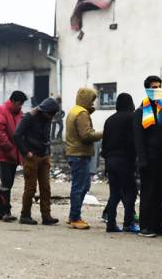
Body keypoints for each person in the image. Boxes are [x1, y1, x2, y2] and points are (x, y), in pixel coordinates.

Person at [133, 76, 162, 238]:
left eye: (159, 87)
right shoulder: (142, 111)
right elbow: (138, 138)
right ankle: (146, 225)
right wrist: (142, 160)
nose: (157, 90)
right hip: (149, 159)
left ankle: (158, 224)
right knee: (149, 192)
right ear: (147, 90)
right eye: (153, 87)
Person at [13, 97, 60, 226]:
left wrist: (47, 151)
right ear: (44, 111)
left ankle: (46, 216)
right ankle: (25, 215)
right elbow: (16, 135)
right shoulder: (29, 117)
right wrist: (26, 152)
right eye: (50, 114)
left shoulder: (47, 116)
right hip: (31, 157)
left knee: (46, 188)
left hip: (44, 156)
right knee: (30, 188)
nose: (51, 117)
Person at [65, 87, 104, 229]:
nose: (93, 103)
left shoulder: (75, 110)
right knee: (80, 187)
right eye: (92, 100)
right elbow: (86, 135)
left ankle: (73, 215)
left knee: (82, 185)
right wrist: (102, 133)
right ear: (86, 99)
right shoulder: (82, 113)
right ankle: (75, 217)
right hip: (79, 154)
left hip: (74, 153)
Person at [101, 93, 139, 233]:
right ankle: (128, 223)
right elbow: (134, 140)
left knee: (115, 193)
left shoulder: (109, 120)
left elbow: (104, 143)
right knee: (130, 192)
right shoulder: (132, 117)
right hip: (125, 160)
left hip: (110, 160)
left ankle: (111, 224)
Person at [0, 90, 26, 221]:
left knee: (7, 183)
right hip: (3, 154)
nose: (20, 107)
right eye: (19, 104)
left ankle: (0, 212)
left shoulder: (19, 114)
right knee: (6, 183)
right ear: (14, 101)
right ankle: (5, 211)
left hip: (13, 154)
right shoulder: (0, 110)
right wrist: (10, 149)